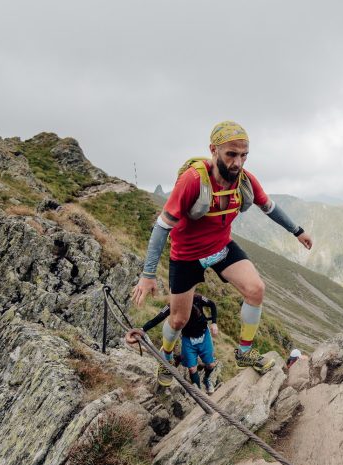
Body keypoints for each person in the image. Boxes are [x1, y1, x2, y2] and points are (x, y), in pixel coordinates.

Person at [128, 121, 313, 386]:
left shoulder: (245, 180)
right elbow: (161, 226)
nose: (238, 162)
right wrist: (147, 275)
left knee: (256, 290)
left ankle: (245, 353)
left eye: (244, 155)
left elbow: (269, 207)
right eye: (231, 154)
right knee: (179, 319)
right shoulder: (192, 181)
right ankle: (166, 357)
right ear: (213, 150)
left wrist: (298, 231)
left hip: (221, 247)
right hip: (187, 255)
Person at [178, 293, 219, 394]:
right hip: (188, 338)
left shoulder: (197, 298)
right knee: (192, 368)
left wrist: (214, 323)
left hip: (203, 335)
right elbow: (161, 316)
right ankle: (198, 391)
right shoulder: (176, 303)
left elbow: (212, 304)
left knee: (211, 365)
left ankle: (206, 379)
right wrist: (142, 329)